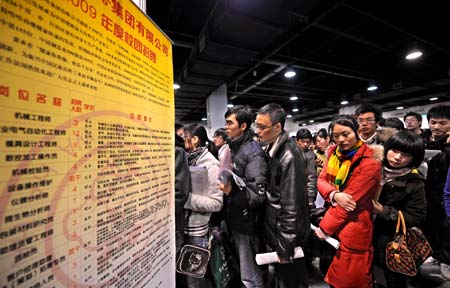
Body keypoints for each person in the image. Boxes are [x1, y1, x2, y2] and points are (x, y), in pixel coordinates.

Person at [314, 115, 382, 288]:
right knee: (330, 274)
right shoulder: (333, 154)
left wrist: (324, 227)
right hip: (333, 220)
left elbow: (350, 204)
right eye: (336, 136)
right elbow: (321, 181)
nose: (341, 140)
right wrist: (334, 195)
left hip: (353, 226)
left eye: (346, 134)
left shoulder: (370, 163)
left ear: (357, 131)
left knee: (349, 280)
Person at [256, 103, 309, 288]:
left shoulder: (289, 155)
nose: (258, 131)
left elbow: (292, 205)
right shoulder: (273, 149)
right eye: (257, 125)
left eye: (262, 127)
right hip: (277, 231)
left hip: (287, 236)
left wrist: (286, 246)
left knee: (292, 281)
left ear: (278, 127)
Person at [219, 106, 268, 288]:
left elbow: (257, 195)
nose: (226, 127)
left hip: (248, 222)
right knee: (242, 269)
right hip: (236, 218)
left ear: (243, 126)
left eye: (230, 123)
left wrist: (230, 191)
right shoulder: (234, 147)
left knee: (250, 274)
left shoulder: (253, 152)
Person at [372, 130, 426, 288]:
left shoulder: (415, 182)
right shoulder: (372, 168)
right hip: (363, 233)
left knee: (392, 280)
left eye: (405, 154)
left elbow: (417, 217)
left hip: (391, 241)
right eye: (394, 151)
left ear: (414, 158)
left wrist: (383, 211)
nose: (397, 157)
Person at [183, 124, 223, 288]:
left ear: (194, 139)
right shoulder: (188, 159)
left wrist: (185, 199)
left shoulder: (211, 165)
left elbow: (217, 203)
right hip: (184, 227)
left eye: (184, 137)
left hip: (198, 230)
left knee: (195, 279)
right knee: (187, 275)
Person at [296, 128, 318, 208]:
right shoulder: (291, 153)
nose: (305, 144)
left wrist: (310, 198)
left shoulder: (310, 155)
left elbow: (312, 177)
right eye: (303, 141)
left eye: (308, 142)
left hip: (304, 194)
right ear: (297, 141)